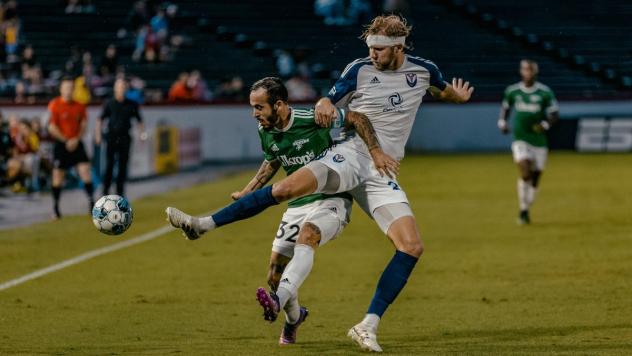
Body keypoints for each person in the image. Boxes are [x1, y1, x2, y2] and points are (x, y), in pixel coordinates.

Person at [165, 15, 473, 352]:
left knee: (411, 246)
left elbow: (443, 91)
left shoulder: (424, 70)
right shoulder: (358, 69)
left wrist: (458, 96)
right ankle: (203, 225)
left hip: (381, 172)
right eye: (369, 48)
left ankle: (367, 325)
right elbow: (330, 100)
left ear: (397, 48)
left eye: (379, 50)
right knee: (285, 190)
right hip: (351, 155)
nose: (372, 54)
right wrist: (326, 104)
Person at [168, 76, 392, 344]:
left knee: (308, 236)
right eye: (253, 107)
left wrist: (376, 151)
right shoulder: (265, 130)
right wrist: (248, 190)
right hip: (296, 203)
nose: (254, 114)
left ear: (280, 104)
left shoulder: (313, 118)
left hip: (331, 198)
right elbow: (271, 162)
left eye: (259, 107)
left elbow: (356, 118)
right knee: (274, 273)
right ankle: (293, 317)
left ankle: (274, 298)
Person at [498, 59, 559, 225]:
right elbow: (506, 107)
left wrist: (545, 124)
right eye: (525, 69)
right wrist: (502, 122)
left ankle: (527, 204)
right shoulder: (513, 91)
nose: (528, 73)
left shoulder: (544, 92)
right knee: (525, 172)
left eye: (530, 70)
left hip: (539, 141)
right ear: (521, 71)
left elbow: (554, 113)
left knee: (536, 177)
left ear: (535, 72)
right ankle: (523, 210)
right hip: (520, 138)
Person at [47, 77, 94, 219]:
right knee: (57, 176)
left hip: (76, 142)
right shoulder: (54, 105)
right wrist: (66, 140)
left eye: (70, 88)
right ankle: (56, 208)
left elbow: (84, 125)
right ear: (61, 89)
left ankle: (92, 204)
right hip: (62, 144)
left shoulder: (79, 106)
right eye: (65, 88)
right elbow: (51, 127)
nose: (68, 90)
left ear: (74, 90)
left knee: (85, 171)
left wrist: (76, 139)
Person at [95, 78, 146, 197]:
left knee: (123, 166)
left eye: (123, 87)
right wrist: (98, 135)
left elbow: (139, 120)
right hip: (111, 137)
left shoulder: (132, 104)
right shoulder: (109, 103)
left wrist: (142, 134)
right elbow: (100, 119)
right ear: (115, 88)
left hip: (125, 137)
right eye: (119, 87)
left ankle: (120, 192)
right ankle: (105, 191)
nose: (121, 89)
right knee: (109, 165)